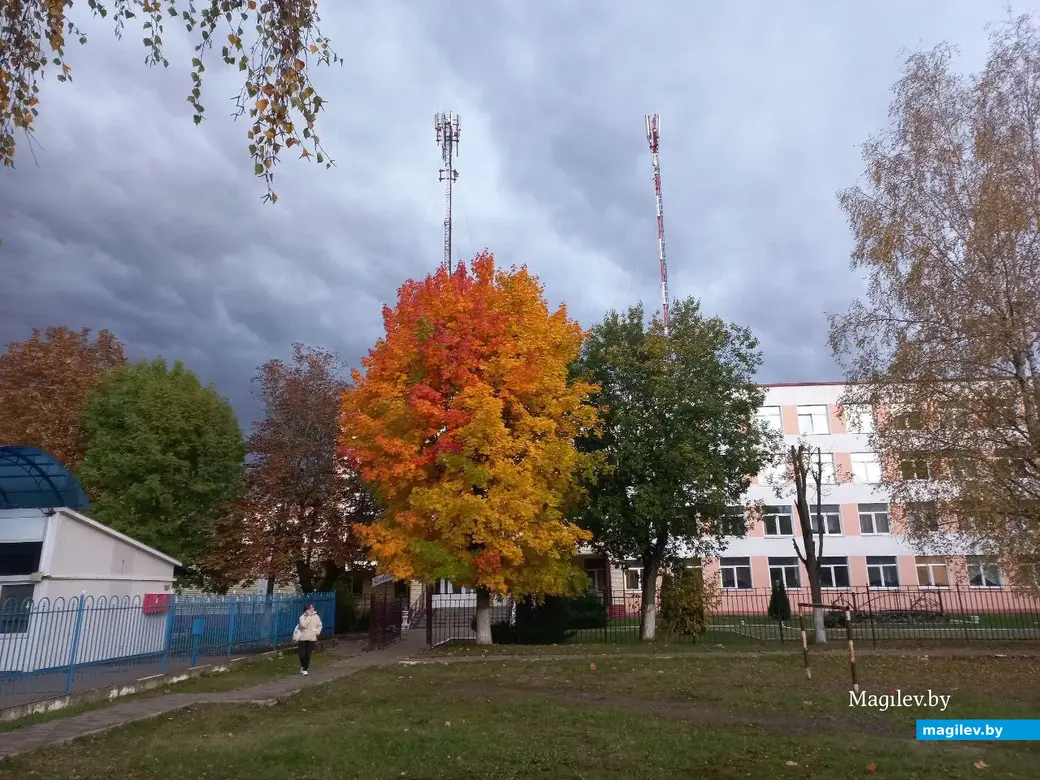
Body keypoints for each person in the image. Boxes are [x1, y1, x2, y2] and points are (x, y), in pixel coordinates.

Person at [295, 603, 323, 675]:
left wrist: (317, 632)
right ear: (307, 610)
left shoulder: (316, 616)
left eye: (312, 608)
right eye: (311, 608)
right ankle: (302, 665)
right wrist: (308, 617)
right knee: (302, 655)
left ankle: (305, 669)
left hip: (311, 638)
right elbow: (304, 625)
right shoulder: (302, 617)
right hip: (302, 638)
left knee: (308, 655)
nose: (312, 609)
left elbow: (320, 625)